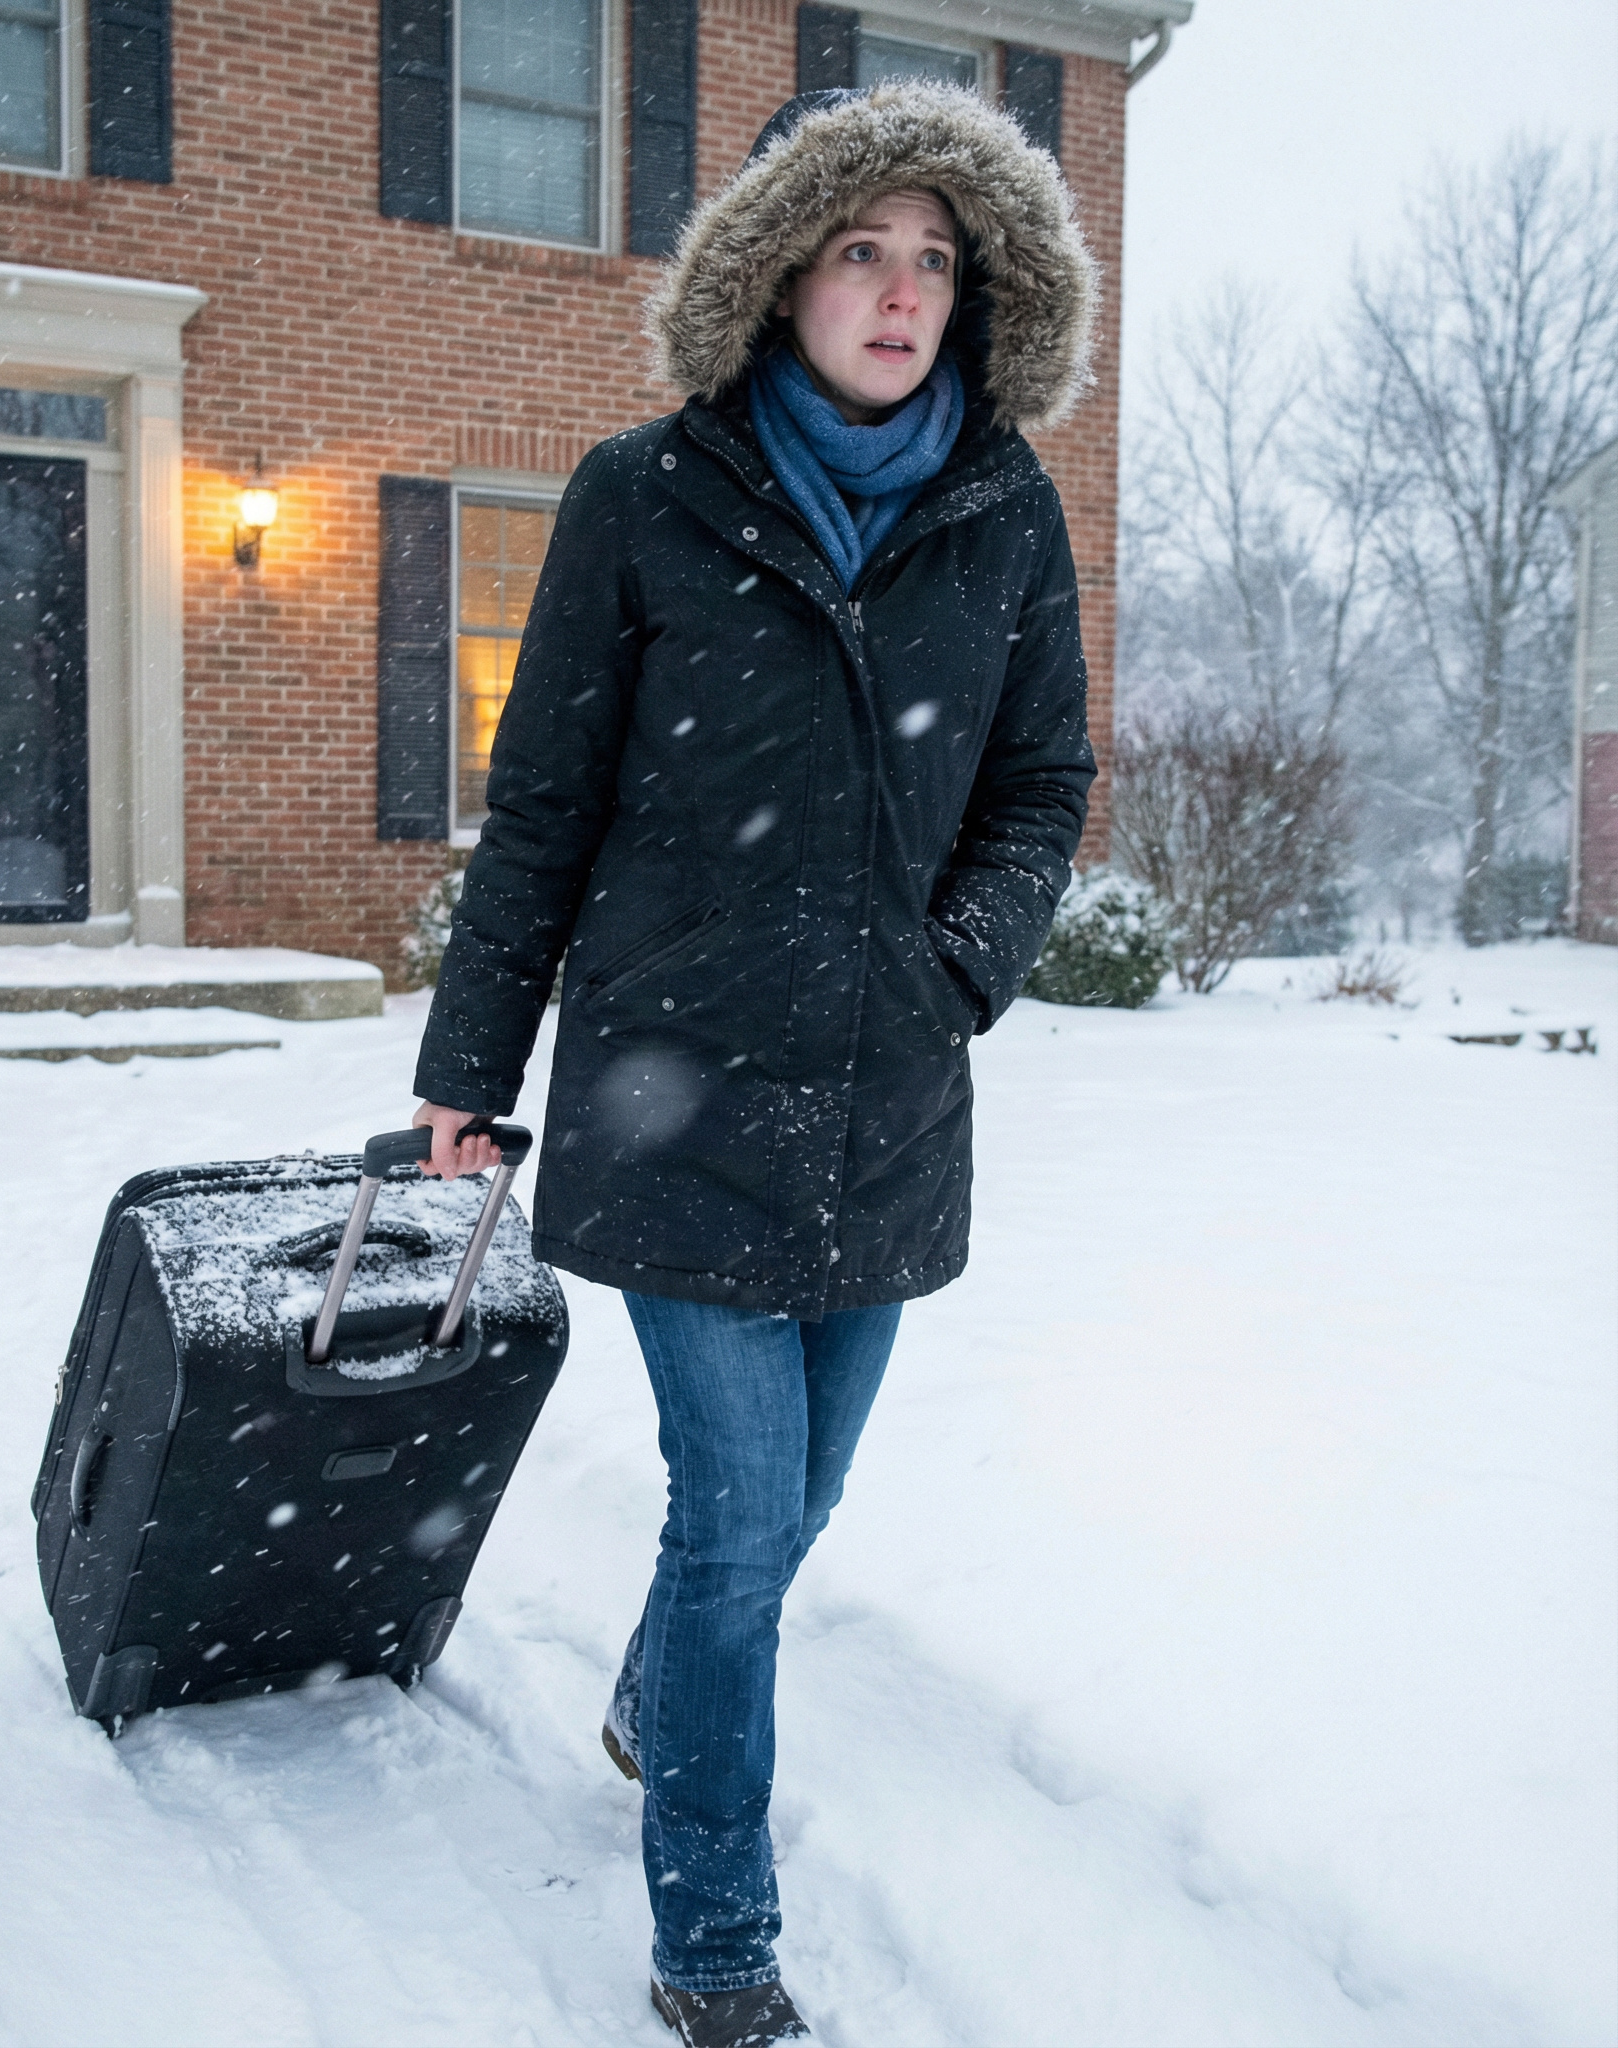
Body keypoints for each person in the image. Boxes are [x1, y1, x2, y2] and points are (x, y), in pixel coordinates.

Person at [413, 82, 1097, 2048]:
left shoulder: (1006, 509)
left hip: (888, 1102)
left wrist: (961, 964)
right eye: (862, 250)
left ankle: (655, 1695)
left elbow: (1040, 782)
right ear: (783, 273)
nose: (899, 292)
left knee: (791, 1509)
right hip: (676, 1090)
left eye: (934, 259)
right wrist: (473, 1065)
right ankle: (714, 1933)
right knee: (734, 1521)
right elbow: (541, 805)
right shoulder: (645, 493)